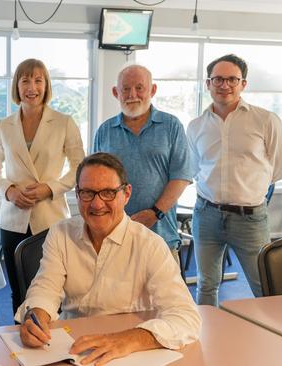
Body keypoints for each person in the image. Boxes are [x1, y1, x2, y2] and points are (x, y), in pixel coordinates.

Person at [17, 153, 201, 365]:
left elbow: (186, 317)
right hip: (73, 348)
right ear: (77, 194)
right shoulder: (60, 233)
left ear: (126, 194)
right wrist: (36, 315)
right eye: (87, 193)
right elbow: (46, 287)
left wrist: (128, 339)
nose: (97, 204)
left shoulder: (150, 245)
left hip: (132, 352)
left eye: (107, 193)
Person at [187, 54, 282, 306]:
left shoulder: (266, 121)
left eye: (232, 79)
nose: (225, 85)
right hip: (206, 214)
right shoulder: (196, 125)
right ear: (208, 84)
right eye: (218, 79)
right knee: (206, 284)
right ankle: (207, 337)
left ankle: (271, 340)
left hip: (250, 219)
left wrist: (248, 189)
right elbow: (194, 168)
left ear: (243, 84)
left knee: (263, 284)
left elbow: (280, 168)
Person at [0, 58, 84, 314]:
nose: (32, 87)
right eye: (25, 80)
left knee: (53, 286)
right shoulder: (2, 125)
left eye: (38, 80)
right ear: (17, 86)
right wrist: (9, 191)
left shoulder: (64, 122)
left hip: (50, 216)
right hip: (14, 218)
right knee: (18, 290)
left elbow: (80, 168)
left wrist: (51, 188)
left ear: (46, 85)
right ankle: (19, 339)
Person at [93, 64, 192, 263]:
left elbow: (181, 177)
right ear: (115, 92)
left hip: (161, 235)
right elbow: (95, 180)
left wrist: (154, 213)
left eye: (140, 88)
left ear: (152, 90)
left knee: (167, 294)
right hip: (114, 235)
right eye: (126, 89)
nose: (132, 94)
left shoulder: (171, 126)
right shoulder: (105, 131)